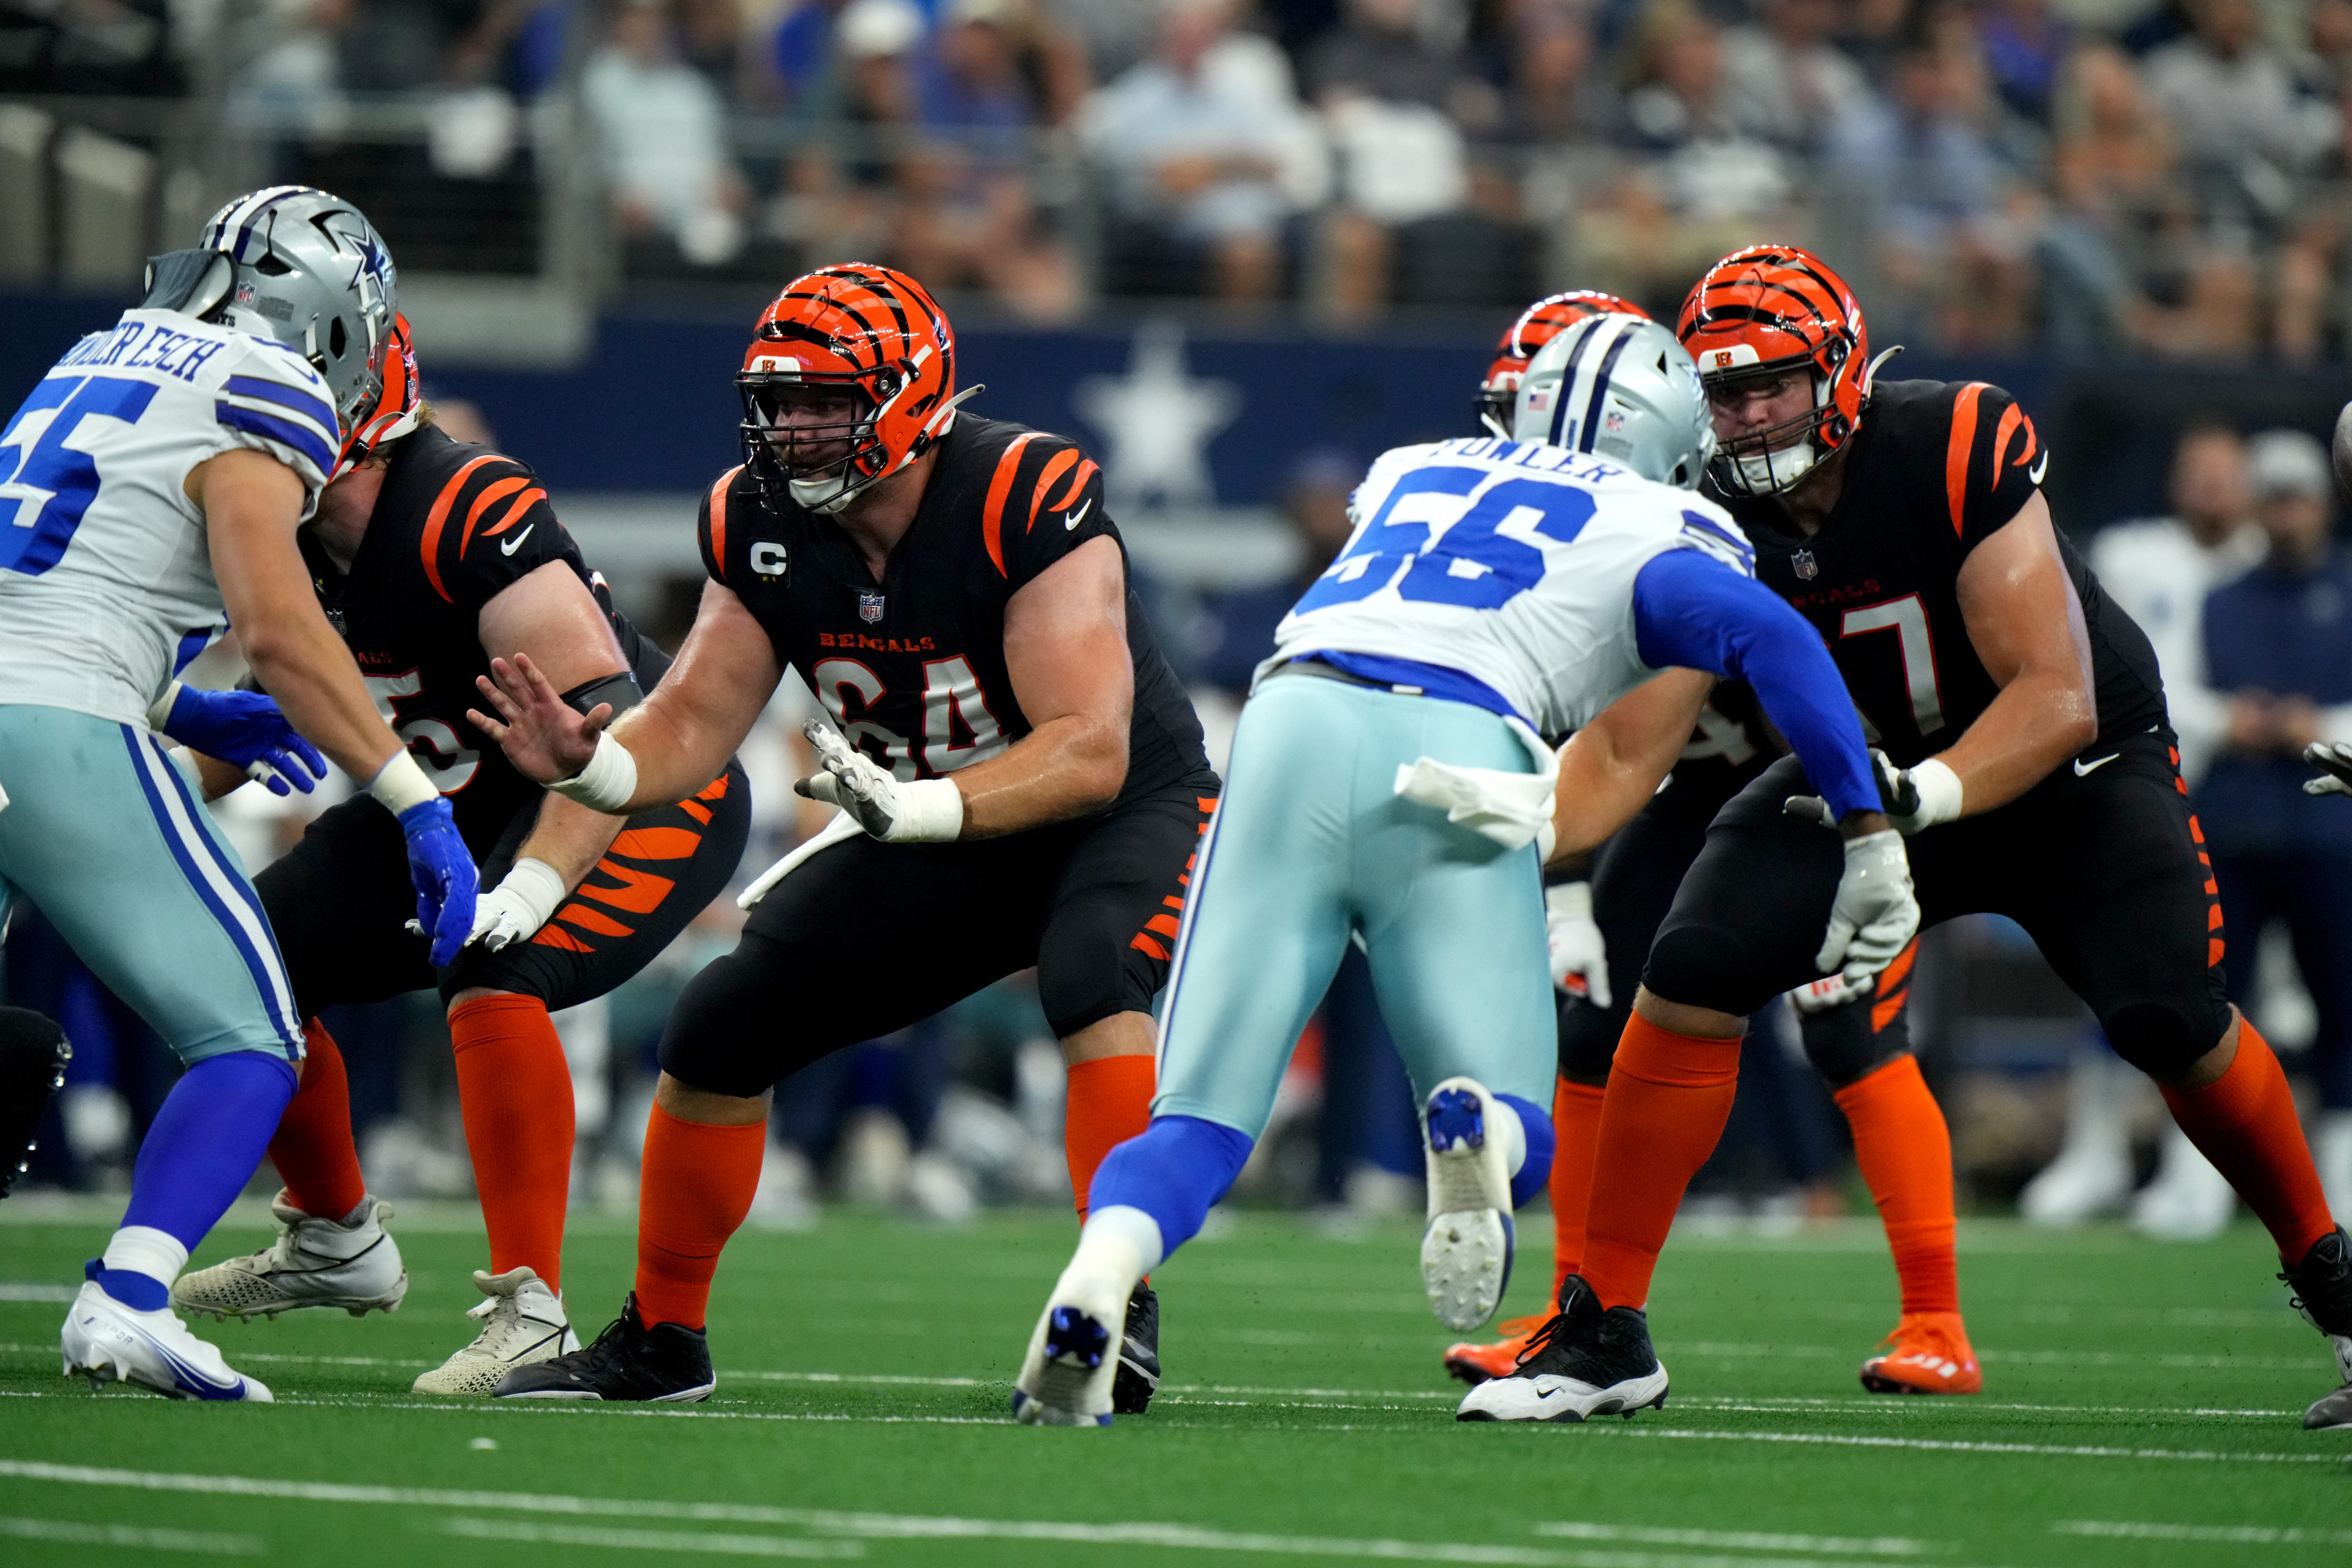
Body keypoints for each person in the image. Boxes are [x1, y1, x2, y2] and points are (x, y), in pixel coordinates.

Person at [1460, 244, 2352, 1429]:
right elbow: (1631, 749)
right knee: (1691, 968)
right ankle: (1605, 1326)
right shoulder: (1699, 501)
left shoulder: (1953, 441)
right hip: (1867, 778)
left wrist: (1916, 802)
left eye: (1770, 383)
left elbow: (2053, 692)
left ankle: (2334, 1282)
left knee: (2168, 1020)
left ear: (1840, 375)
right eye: (1723, 392)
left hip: (2065, 772)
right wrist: (1504, 857)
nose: (1747, 414)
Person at [1008, 311, 1915, 1426]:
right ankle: (1477, 1126)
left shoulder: (1416, 469)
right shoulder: (1666, 518)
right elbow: (1777, 644)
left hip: (1289, 719)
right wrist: (1869, 825)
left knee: (1195, 1118)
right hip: (1456, 754)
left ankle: (1102, 1272)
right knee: (1516, 1118)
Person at [466, 263, 1219, 1410]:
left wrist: (913, 811)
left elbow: (1088, 750)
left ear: (914, 395)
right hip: (928, 816)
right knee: (721, 1025)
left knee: (1091, 970)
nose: (797, 429)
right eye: (782, 401)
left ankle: (1116, 1303)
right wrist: (599, 763)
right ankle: (663, 1341)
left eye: (827, 400)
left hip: (1114, 810)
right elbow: (696, 724)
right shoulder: (753, 519)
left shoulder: (1024, 495)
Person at [168, 318, 752, 1397]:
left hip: (630, 792)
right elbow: (267, 716)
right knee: (237, 960)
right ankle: (336, 1235)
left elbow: (602, 727)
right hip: (450, 805)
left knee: (494, 968)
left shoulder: (464, 507)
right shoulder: (282, 528)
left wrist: (530, 886)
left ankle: (531, 1309)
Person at [1445, 287, 1980, 1398]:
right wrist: (1564, 888)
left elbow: (1801, 674)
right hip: (1674, 790)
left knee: (1850, 1034)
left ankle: (1937, 1319)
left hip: (1811, 788)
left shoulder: (1724, 502)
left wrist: (1856, 818)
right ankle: (1572, 1309)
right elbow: (1581, 729)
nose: (1526, 438)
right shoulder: (1551, 526)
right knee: (1593, 1026)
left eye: (1549, 408)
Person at [4, 184, 476, 1400]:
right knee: (251, 1033)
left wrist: (175, 703)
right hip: (53, 722)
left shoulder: (93, 352)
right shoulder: (269, 389)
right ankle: (131, 1294)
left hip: (41, 689)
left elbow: (49, 574)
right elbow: (277, 630)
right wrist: (416, 797)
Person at [2023, 423, 2260, 1239]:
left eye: (2226, 474)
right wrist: (2234, 720)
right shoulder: (2132, 552)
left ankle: (2206, 1171)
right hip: (2133, 778)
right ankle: (2098, 1156)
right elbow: (2112, 665)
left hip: (2249, 801)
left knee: (2228, 997)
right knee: (2115, 980)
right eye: (2197, 471)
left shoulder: (2272, 564)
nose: (2211, 488)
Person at [2200, 429, 2352, 1225]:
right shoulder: (2222, 596)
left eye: (2301, 496)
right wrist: (2238, 721)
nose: (2289, 513)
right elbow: (2185, 695)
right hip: (2240, 827)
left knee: (2344, 1011)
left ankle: (2345, 1184)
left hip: (2332, 830)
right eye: (2278, 497)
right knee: (2218, 1010)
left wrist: (2316, 722)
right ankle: (2212, 1184)